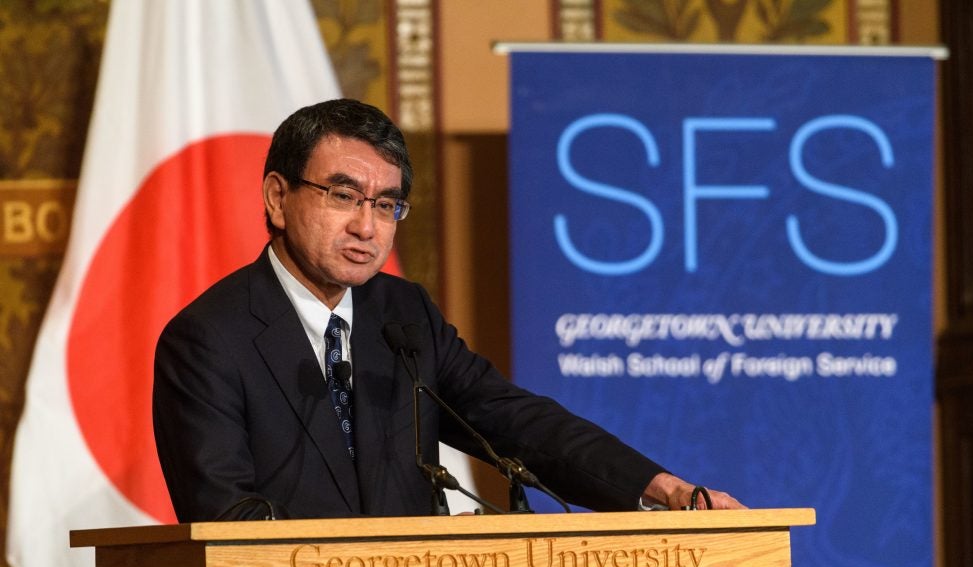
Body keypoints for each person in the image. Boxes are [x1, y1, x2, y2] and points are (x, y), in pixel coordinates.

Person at [153, 98, 744, 522]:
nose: (367, 226)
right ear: (278, 197)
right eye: (343, 196)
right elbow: (224, 517)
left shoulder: (401, 315)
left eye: (386, 205)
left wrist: (661, 488)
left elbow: (515, 423)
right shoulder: (209, 339)